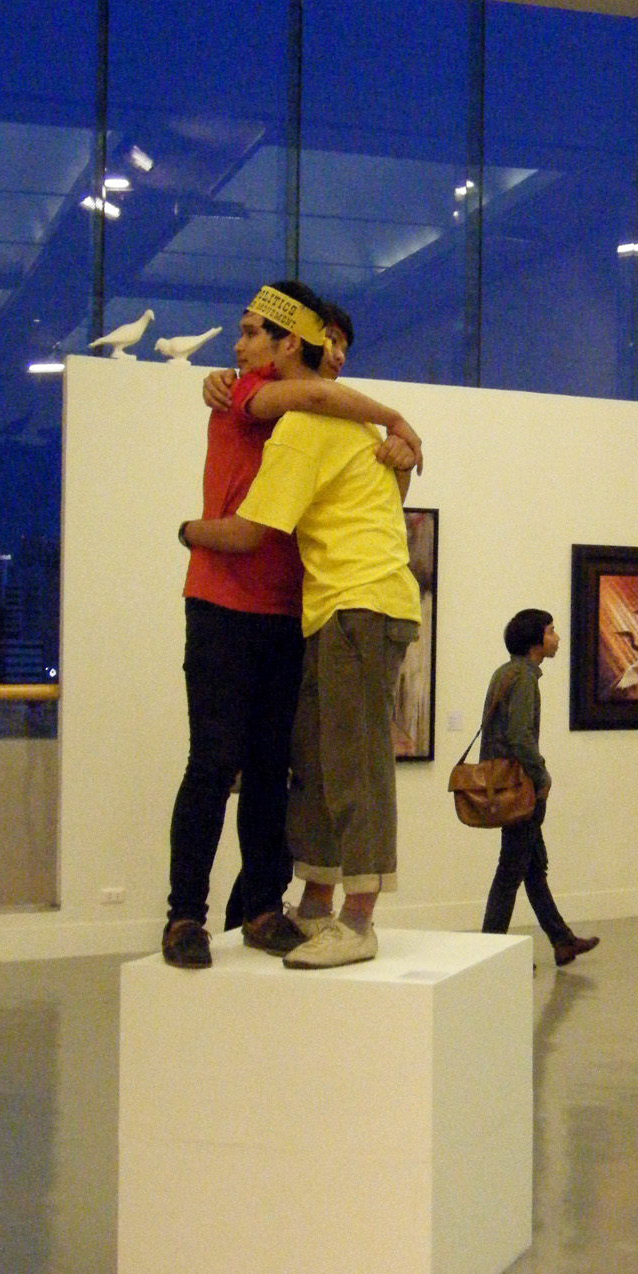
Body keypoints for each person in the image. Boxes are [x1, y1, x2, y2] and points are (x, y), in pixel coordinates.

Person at [161, 281, 424, 969]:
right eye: (329, 343)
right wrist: (397, 424)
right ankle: (200, 914)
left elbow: (259, 527)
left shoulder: (313, 419)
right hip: (271, 606)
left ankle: (313, 912)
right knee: (253, 764)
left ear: (286, 345)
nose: (237, 346)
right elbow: (317, 403)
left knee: (313, 766)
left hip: (319, 606)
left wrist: (188, 530)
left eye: (253, 333)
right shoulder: (260, 397)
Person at [479, 609, 599, 967]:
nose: (557, 638)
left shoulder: (506, 672)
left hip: (510, 785)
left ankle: (562, 941)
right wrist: (541, 776)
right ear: (535, 641)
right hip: (521, 787)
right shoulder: (524, 679)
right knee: (511, 871)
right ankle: (490, 953)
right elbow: (519, 736)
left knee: (532, 867)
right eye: (551, 631)